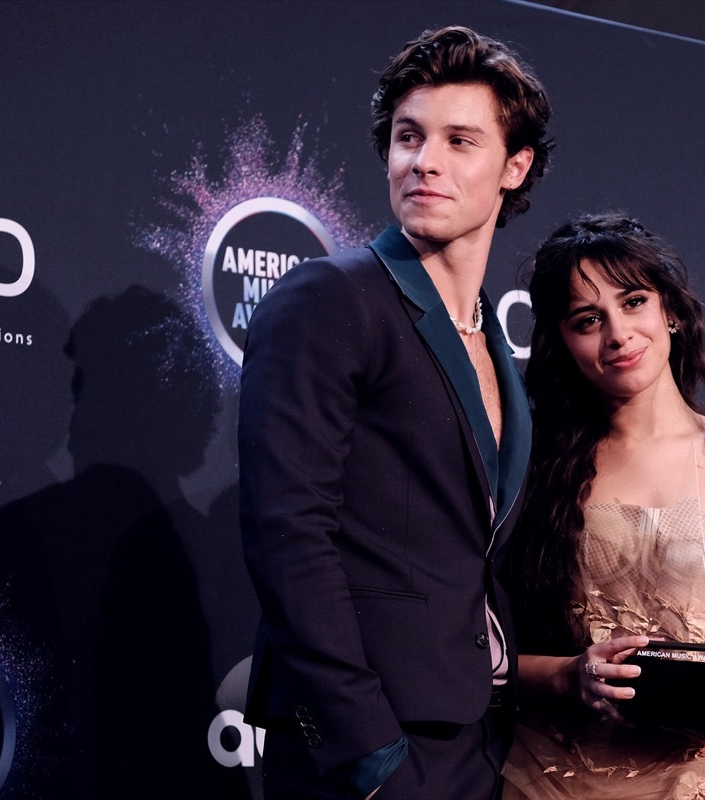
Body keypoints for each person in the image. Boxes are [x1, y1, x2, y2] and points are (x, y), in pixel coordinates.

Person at [238, 26, 551, 799]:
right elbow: (288, 538)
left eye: (460, 140)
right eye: (409, 136)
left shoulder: (494, 343)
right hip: (369, 752)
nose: (425, 161)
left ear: (516, 167)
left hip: (477, 740)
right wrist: (369, 756)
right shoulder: (330, 300)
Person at [503, 213, 705, 799]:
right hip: (558, 778)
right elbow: (477, 649)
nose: (618, 334)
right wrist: (565, 676)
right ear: (562, 343)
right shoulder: (534, 468)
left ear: (671, 311)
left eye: (634, 302)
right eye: (587, 319)